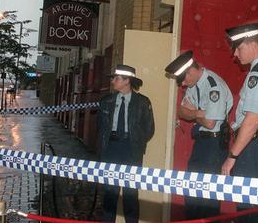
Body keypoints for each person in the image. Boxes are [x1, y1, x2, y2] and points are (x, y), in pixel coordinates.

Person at [220, 23, 258, 223]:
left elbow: (253, 120)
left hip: (253, 147)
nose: (235, 55)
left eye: (238, 48)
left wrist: (232, 156)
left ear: (250, 43)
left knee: (248, 209)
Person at [164, 50, 233, 220]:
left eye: (184, 79)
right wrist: (198, 113)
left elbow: (210, 123)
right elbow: (181, 111)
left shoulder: (213, 85)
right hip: (201, 144)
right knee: (192, 192)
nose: (183, 85)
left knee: (207, 199)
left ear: (191, 71)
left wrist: (194, 112)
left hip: (214, 146)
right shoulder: (194, 85)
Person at [96, 64, 155, 223]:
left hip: (131, 150)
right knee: (110, 192)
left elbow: (149, 129)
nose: (113, 81)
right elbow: (100, 126)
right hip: (111, 149)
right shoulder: (106, 101)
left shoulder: (142, 102)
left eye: (116, 78)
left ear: (127, 81)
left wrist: (135, 141)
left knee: (130, 193)